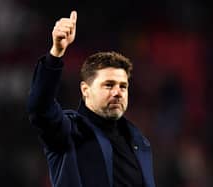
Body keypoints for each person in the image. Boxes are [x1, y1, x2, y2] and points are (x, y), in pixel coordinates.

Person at [27, 10, 156, 187]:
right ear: (85, 90)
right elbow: (39, 107)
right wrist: (55, 54)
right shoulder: (68, 132)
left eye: (123, 86)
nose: (117, 92)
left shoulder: (138, 141)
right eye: (109, 85)